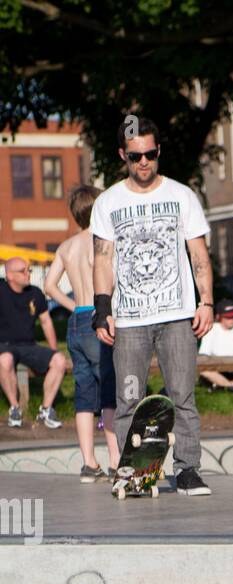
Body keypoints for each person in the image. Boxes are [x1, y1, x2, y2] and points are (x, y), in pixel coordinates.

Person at [91, 116, 215, 497]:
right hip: (129, 320)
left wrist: (207, 300)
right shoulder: (108, 201)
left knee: (182, 396)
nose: (142, 162)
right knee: (129, 399)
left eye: (148, 154)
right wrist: (101, 308)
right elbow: (102, 260)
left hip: (177, 317)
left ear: (158, 151)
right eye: (134, 156)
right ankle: (135, 473)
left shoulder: (181, 196)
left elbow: (199, 253)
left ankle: (188, 470)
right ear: (122, 156)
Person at [45, 185, 119, 480]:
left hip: (76, 320)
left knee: (84, 394)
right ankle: (116, 459)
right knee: (110, 391)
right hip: (98, 318)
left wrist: (74, 304)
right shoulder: (100, 242)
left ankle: (89, 463)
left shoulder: (66, 246)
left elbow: (49, 286)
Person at [0, 257, 67, 429]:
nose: (27, 274)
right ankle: (15, 408)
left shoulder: (35, 293)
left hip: (28, 346)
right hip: (4, 346)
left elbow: (46, 322)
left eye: (28, 270)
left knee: (59, 360)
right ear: (9, 275)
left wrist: (53, 351)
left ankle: (45, 409)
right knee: (4, 360)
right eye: (22, 271)